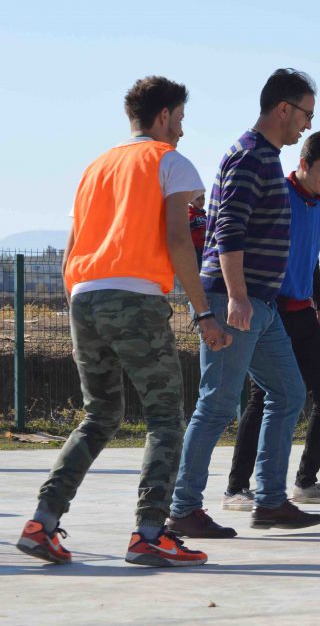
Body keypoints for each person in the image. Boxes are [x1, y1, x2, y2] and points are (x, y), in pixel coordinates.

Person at [17, 76, 227, 567]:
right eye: (180, 119)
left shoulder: (95, 167)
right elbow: (179, 240)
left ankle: (41, 524)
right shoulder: (168, 161)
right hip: (134, 299)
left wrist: (81, 301)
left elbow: (71, 248)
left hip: (83, 298)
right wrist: (203, 312)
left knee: (100, 416)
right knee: (165, 417)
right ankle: (150, 534)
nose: (182, 130)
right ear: (163, 117)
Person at [169, 68, 320, 537]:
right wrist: (236, 296)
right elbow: (228, 231)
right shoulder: (248, 157)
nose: (307, 127)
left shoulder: (266, 158)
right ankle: (183, 508)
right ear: (283, 109)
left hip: (261, 304)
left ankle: (271, 501)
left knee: (289, 392)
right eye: (305, 115)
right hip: (235, 300)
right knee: (217, 404)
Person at [222, 131, 320, 511]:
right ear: (303, 163)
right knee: (264, 398)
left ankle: (306, 481)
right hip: (272, 310)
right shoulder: (279, 195)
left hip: (302, 311)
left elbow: (310, 257)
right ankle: (236, 489)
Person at [189, 194, 207, 259]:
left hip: (204, 247)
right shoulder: (189, 215)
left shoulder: (204, 216)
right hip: (194, 248)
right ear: (190, 201)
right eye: (197, 199)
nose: (201, 201)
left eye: (203, 198)